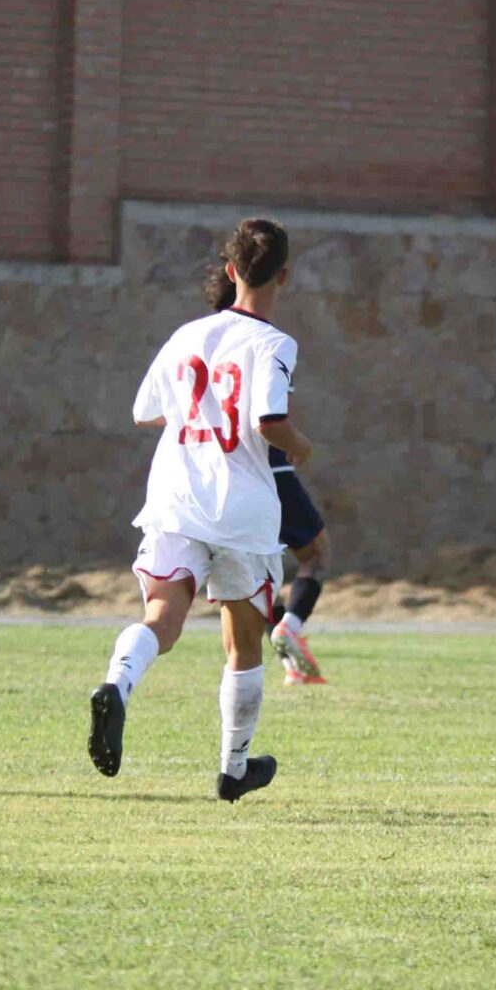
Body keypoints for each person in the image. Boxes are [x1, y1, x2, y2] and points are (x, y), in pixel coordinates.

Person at [90, 218, 313, 801]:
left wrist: (200, 411)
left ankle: (117, 684)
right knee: (244, 641)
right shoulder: (275, 344)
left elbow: (145, 411)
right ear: (284, 276)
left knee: (162, 618)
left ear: (232, 271)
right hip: (241, 508)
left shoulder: (187, 334)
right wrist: (303, 446)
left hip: (176, 495)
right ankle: (233, 768)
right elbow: (269, 420)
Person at [202, 262, 330, 685]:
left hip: (217, 477)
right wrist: (301, 445)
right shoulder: (264, 342)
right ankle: (289, 626)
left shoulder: (201, 344)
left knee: (251, 575)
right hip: (268, 468)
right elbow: (270, 419)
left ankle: (285, 655)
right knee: (315, 555)